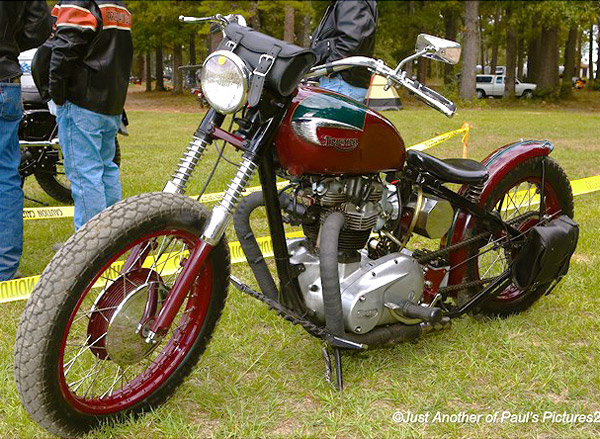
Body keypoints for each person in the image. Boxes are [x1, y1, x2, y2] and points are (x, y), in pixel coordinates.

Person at [46, 0, 133, 231]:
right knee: (106, 168)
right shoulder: (119, 6)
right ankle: (113, 237)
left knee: (86, 174)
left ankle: (89, 245)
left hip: (82, 100)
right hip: (109, 102)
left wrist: (56, 94)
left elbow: (64, 50)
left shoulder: (80, 3)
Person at [0, 1, 51, 281]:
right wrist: (9, 44)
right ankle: (4, 268)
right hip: (5, 76)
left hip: (5, 72)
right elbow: (41, 24)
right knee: (5, 175)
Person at [310, 0, 378, 103]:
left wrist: (329, 68)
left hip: (340, 80)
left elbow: (352, 40)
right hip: (342, 80)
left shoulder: (351, 2)